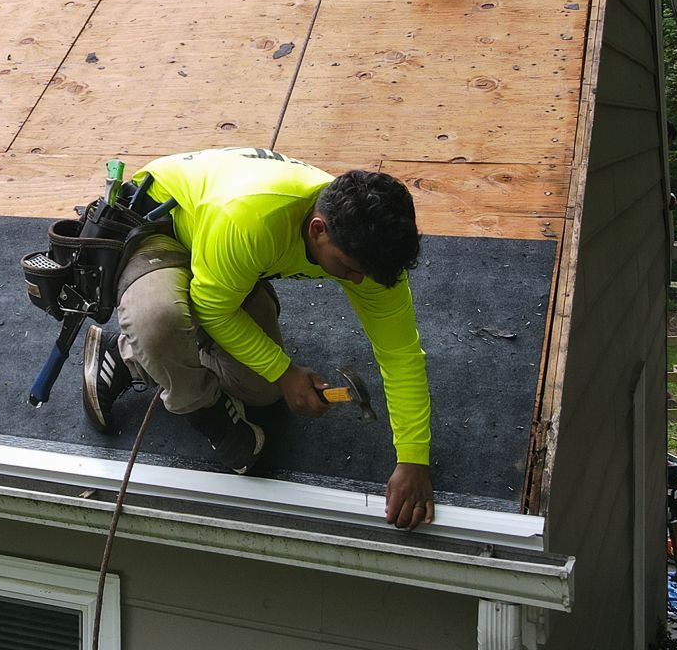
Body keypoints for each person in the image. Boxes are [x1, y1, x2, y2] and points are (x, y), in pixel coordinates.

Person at [81, 147, 435, 529]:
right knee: (159, 319)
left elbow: (400, 354)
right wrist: (284, 371)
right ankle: (141, 363)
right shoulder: (253, 219)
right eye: (348, 269)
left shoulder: (370, 255)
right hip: (162, 225)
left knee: (262, 392)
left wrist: (413, 459)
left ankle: (161, 348)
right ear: (317, 230)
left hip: (225, 253)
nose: (357, 281)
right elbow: (214, 310)